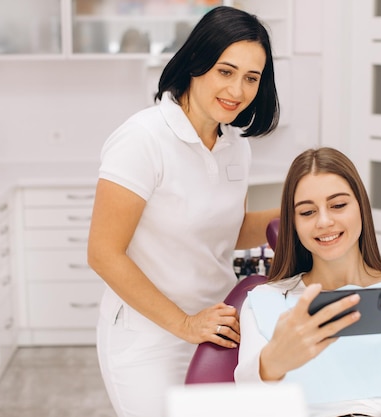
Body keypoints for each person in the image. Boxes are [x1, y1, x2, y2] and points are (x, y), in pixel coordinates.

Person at [87, 6, 280, 417]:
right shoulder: (143, 139)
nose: (238, 90)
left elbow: (230, 228)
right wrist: (183, 324)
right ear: (196, 64)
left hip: (218, 328)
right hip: (148, 336)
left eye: (251, 78)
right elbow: (104, 253)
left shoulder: (236, 146)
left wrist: (302, 213)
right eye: (225, 71)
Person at [234, 147, 381, 417]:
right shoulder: (266, 302)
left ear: (361, 207)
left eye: (338, 205)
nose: (324, 221)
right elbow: (250, 405)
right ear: (294, 224)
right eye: (308, 212)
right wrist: (272, 363)